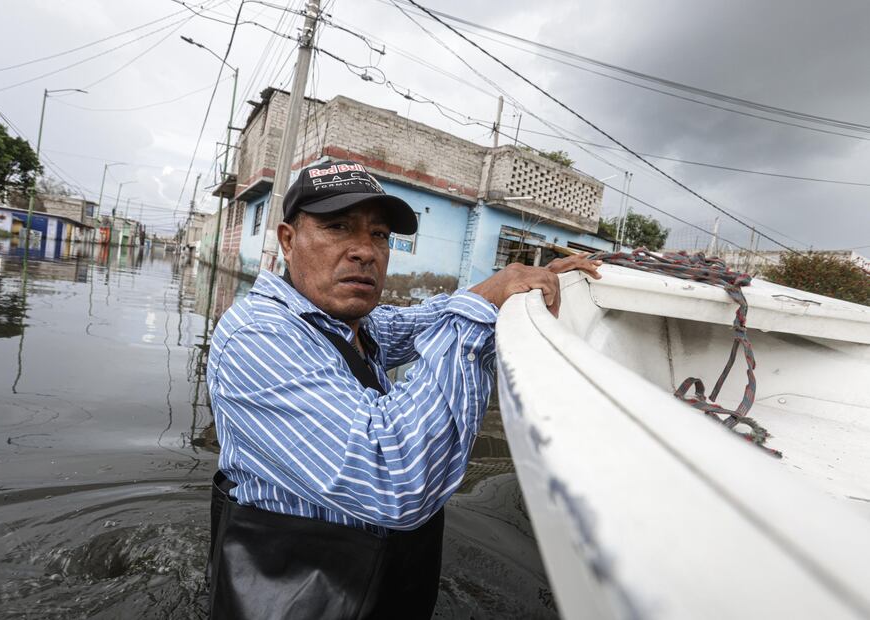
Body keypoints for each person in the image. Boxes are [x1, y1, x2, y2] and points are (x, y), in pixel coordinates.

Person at [205, 159, 602, 619]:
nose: (365, 252)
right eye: (338, 227)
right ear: (288, 241)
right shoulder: (257, 336)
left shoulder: (354, 323)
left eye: (379, 235)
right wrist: (475, 315)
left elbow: (424, 319)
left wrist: (517, 285)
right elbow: (393, 476)